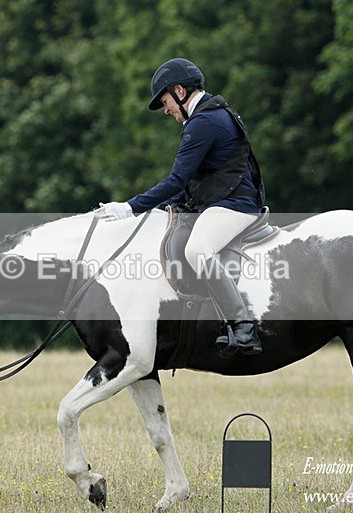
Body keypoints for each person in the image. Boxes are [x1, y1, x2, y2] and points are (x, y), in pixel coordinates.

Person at [96, 58, 265, 357]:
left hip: (235, 205)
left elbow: (177, 179)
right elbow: (192, 183)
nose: (166, 110)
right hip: (222, 201)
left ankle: (243, 326)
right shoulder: (210, 115)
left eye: (165, 102)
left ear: (179, 91)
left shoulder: (204, 122)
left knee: (198, 251)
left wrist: (130, 207)